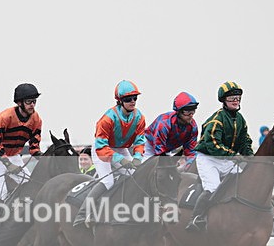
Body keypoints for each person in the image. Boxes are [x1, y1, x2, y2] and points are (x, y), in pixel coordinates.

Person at [74, 80, 146, 227]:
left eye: (135, 98)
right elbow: (101, 146)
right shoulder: (107, 119)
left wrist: (137, 157)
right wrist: (120, 159)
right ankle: (83, 214)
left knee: (134, 176)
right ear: (120, 101)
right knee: (108, 181)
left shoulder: (139, 118)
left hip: (120, 148)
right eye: (128, 99)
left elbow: (139, 141)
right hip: (102, 149)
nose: (132, 102)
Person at [186, 81, 253, 232]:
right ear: (224, 101)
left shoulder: (241, 120)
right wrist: (233, 155)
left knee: (241, 184)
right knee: (213, 188)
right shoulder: (216, 119)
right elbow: (213, 144)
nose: (236, 101)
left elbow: (245, 141)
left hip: (226, 159)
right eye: (232, 98)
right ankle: (196, 218)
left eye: (238, 98)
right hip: (209, 159)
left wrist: (250, 156)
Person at [0, 83, 43, 202]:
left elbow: (34, 148)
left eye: (34, 101)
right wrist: (8, 164)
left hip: (14, 155)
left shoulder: (37, 120)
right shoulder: (5, 117)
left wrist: (46, 157)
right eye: (29, 102)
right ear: (19, 103)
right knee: (1, 194)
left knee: (29, 186)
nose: (32, 105)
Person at [142, 91, 199, 170]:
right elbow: (159, 150)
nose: (191, 115)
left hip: (166, 150)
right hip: (150, 146)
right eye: (187, 111)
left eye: (193, 110)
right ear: (178, 111)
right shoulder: (164, 124)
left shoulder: (193, 127)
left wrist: (191, 166)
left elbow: (190, 152)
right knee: (147, 171)